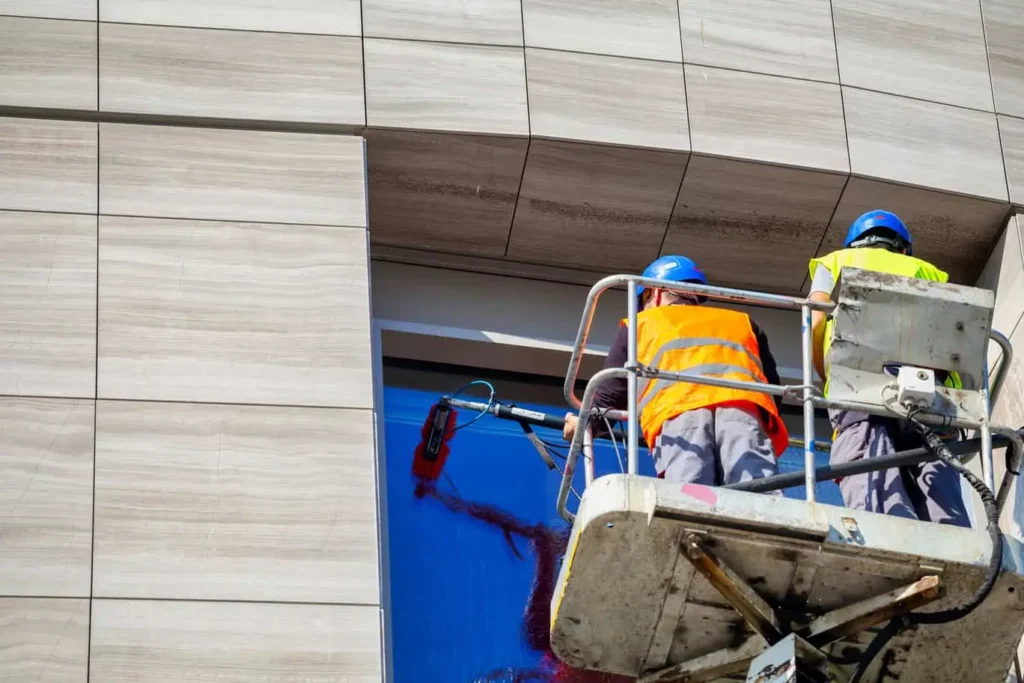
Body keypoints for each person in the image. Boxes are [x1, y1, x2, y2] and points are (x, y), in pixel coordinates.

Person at [563, 255, 789, 489]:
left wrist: (583, 425)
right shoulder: (742, 322)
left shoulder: (642, 323)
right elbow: (773, 390)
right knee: (756, 493)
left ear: (655, 293)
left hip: (679, 418)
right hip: (744, 416)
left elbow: (610, 393)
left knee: (691, 498)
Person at [808, 209, 970, 527]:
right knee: (934, 470)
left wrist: (825, 372)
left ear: (854, 244)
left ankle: (888, 531)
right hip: (929, 392)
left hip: (859, 385)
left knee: (869, 466)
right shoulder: (929, 271)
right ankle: (951, 538)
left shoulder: (832, 262)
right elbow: (954, 331)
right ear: (903, 247)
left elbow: (814, 317)